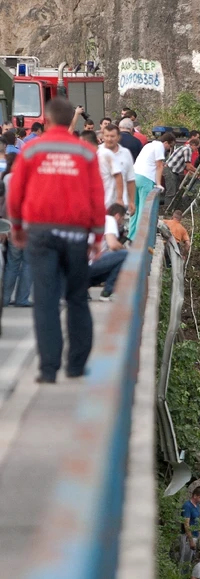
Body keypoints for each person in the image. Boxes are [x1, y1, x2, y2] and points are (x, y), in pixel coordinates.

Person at [7, 97, 105, 384]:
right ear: (70, 121)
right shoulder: (86, 153)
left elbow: (16, 193)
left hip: (40, 233)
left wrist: (17, 227)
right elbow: (96, 197)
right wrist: (97, 236)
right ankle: (76, 366)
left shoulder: (32, 149)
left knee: (46, 300)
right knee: (76, 298)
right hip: (76, 234)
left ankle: (48, 369)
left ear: (47, 120)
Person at [129, 133, 173, 238]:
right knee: (144, 210)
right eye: (170, 146)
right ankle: (140, 238)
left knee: (135, 208)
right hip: (146, 179)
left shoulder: (149, 145)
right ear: (166, 142)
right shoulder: (159, 147)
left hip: (134, 176)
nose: (168, 149)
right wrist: (158, 184)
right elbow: (159, 166)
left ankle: (131, 236)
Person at [2, 153, 32, 307]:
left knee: (12, 264)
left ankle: (5, 298)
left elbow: (6, 205)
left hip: (12, 226)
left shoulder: (7, 179)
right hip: (28, 227)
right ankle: (22, 298)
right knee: (28, 263)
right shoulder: (30, 180)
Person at [88, 203, 128, 301]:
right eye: (122, 219)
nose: (120, 224)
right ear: (117, 216)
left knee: (117, 261)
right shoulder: (109, 220)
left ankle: (83, 287)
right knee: (126, 255)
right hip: (90, 265)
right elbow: (112, 244)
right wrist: (124, 249)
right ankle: (108, 291)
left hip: (80, 270)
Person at [98, 124, 135, 215]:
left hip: (121, 204)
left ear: (118, 137)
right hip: (102, 203)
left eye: (112, 136)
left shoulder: (126, 153)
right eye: (107, 136)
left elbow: (130, 180)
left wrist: (132, 201)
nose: (109, 139)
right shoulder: (97, 152)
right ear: (103, 136)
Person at [164, 137, 200, 209]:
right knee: (171, 192)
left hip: (172, 171)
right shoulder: (187, 150)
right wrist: (198, 172)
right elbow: (189, 166)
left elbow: (185, 166)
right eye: (196, 147)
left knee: (176, 191)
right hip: (170, 170)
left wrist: (193, 172)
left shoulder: (183, 148)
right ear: (193, 145)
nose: (196, 150)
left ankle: (172, 209)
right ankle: (167, 209)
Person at [179, 486, 200, 565]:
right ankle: (180, 575)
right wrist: (190, 540)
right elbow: (186, 524)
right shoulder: (187, 506)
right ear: (194, 496)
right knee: (184, 559)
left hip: (195, 535)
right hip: (188, 536)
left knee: (190, 559)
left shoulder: (197, 506)